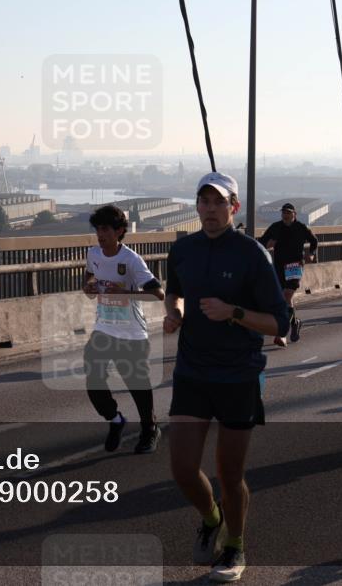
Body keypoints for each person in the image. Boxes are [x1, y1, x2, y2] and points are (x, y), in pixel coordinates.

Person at [164, 172, 289, 582]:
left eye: (219, 202)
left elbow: (278, 324)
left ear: (233, 207)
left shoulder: (252, 254)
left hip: (238, 375)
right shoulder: (182, 249)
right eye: (204, 202)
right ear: (196, 206)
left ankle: (235, 546)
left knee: (229, 474)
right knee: (183, 468)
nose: (211, 209)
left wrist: (233, 313)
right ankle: (211, 516)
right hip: (192, 372)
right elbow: (174, 290)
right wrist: (175, 312)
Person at [83, 204, 165, 454]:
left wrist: (126, 293)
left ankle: (150, 429)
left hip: (131, 332)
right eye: (98, 229)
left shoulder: (131, 259)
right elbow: (88, 276)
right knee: (93, 380)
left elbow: (157, 294)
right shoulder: (93, 253)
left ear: (119, 231)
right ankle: (115, 420)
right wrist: (89, 286)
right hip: (104, 328)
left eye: (106, 229)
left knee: (136, 384)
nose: (100, 234)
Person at [259, 203, 318, 346]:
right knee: (284, 300)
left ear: (294, 214)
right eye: (284, 213)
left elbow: (314, 240)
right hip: (279, 266)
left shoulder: (301, 228)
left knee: (287, 294)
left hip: (295, 265)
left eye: (288, 212)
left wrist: (311, 254)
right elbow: (261, 242)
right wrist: (268, 244)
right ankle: (295, 322)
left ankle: (281, 334)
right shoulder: (276, 227)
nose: (285, 215)